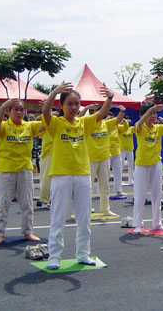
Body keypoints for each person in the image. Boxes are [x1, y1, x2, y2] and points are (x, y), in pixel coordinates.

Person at [42, 82, 113, 269]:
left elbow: (102, 114)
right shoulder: (56, 123)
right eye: (69, 104)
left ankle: (83, 254)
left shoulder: (84, 123)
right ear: (61, 106)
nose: (73, 107)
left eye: (76, 104)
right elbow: (46, 113)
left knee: (84, 217)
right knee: (58, 217)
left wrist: (110, 98)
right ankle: (54, 257)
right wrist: (54, 92)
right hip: (61, 175)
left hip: (82, 174)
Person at [0, 99, 44, 245]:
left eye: (22, 110)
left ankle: (28, 232)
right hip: (5, 169)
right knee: (2, 203)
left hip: (25, 169)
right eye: (15, 109)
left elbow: (46, 123)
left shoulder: (29, 126)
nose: (19, 112)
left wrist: (46, 108)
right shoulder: (3, 125)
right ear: (8, 112)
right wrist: (3, 107)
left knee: (27, 203)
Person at [132, 102, 163, 233]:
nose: (153, 116)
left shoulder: (158, 128)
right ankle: (137, 224)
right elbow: (139, 124)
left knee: (157, 194)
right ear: (142, 115)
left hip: (156, 163)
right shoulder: (140, 127)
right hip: (142, 164)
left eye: (155, 113)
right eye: (150, 113)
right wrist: (150, 110)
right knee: (140, 195)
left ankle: (157, 223)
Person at [81, 103, 119, 217]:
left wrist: (122, 111)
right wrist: (86, 108)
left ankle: (105, 209)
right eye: (97, 110)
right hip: (90, 158)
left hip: (104, 157)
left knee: (105, 185)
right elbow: (78, 119)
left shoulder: (106, 123)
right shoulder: (87, 123)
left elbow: (118, 120)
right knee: (88, 186)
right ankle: (86, 208)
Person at [108, 106, 127, 198]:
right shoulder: (103, 126)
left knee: (118, 172)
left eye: (112, 118)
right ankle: (102, 192)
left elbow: (125, 128)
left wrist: (125, 121)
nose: (111, 120)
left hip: (116, 152)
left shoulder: (117, 127)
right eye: (109, 118)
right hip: (106, 153)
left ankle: (119, 190)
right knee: (105, 174)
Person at [118, 117, 135, 186]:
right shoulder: (120, 129)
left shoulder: (131, 129)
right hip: (122, 149)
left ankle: (130, 180)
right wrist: (122, 122)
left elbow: (138, 126)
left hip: (130, 149)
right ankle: (119, 181)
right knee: (121, 165)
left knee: (131, 166)